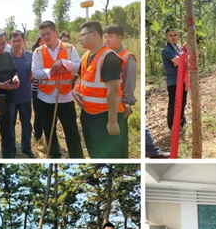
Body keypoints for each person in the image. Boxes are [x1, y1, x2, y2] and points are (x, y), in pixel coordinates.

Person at [73, 21, 125, 158]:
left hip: (105, 117)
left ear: (95, 34)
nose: (80, 38)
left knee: (109, 155)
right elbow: (80, 78)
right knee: (94, 152)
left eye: (83, 35)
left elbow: (113, 90)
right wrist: (75, 91)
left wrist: (112, 121)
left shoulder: (109, 58)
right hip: (88, 115)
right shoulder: (85, 57)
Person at [32, 20, 83, 158]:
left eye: (48, 33)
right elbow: (35, 73)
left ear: (56, 32)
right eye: (43, 35)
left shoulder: (69, 49)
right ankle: (54, 156)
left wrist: (64, 63)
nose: (46, 37)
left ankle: (77, 157)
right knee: (49, 132)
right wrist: (52, 71)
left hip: (65, 97)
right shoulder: (38, 52)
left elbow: (78, 66)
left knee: (71, 131)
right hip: (45, 99)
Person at [104, 24, 137, 157]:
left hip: (120, 107)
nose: (106, 40)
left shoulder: (127, 57)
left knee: (119, 139)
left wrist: (127, 104)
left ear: (120, 38)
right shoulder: (104, 56)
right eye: (105, 37)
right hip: (106, 106)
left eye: (110, 37)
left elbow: (130, 83)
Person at [0, 29, 20, 158]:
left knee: (9, 132)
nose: (1, 46)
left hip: (9, 99)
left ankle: (9, 157)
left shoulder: (8, 55)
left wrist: (16, 78)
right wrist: (2, 85)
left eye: (3, 43)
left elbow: (15, 71)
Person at [9, 30, 34, 158]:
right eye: (14, 41)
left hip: (25, 97)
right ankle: (11, 150)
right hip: (10, 99)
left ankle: (26, 147)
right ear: (10, 42)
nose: (17, 44)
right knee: (10, 125)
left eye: (19, 41)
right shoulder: (6, 57)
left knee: (26, 124)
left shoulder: (31, 56)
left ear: (23, 41)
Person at [161, 27, 187, 130]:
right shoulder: (166, 50)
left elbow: (183, 60)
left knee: (183, 102)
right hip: (173, 82)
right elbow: (179, 61)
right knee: (174, 104)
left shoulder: (179, 48)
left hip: (183, 80)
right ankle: (172, 126)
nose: (173, 38)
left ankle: (181, 121)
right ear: (167, 37)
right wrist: (179, 62)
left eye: (175, 35)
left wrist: (180, 62)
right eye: (170, 36)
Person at [31, 36, 44, 141]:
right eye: (41, 41)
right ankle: (37, 134)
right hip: (36, 89)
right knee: (38, 113)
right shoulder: (35, 55)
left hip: (50, 90)